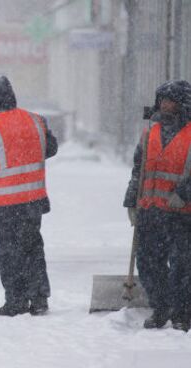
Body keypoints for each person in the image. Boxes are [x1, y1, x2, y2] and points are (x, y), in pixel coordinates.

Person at [0, 76, 58, 317]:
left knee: (7, 253)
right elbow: (51, 148)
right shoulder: (35, 120)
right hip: (34, 200)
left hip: (5, 205)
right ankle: (38, 298)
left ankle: (15, 300)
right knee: (32, 247)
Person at [124, 79, 191, 332]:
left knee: (183, 266)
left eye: (170, 100)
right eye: (162, 99)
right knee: (149, 262)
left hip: (182, 214)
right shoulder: (149, 132)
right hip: (151, 210)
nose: (165, 104)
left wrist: (185, 193)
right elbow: (138, 170)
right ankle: (160, 308)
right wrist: (131, 199)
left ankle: (183, 313)